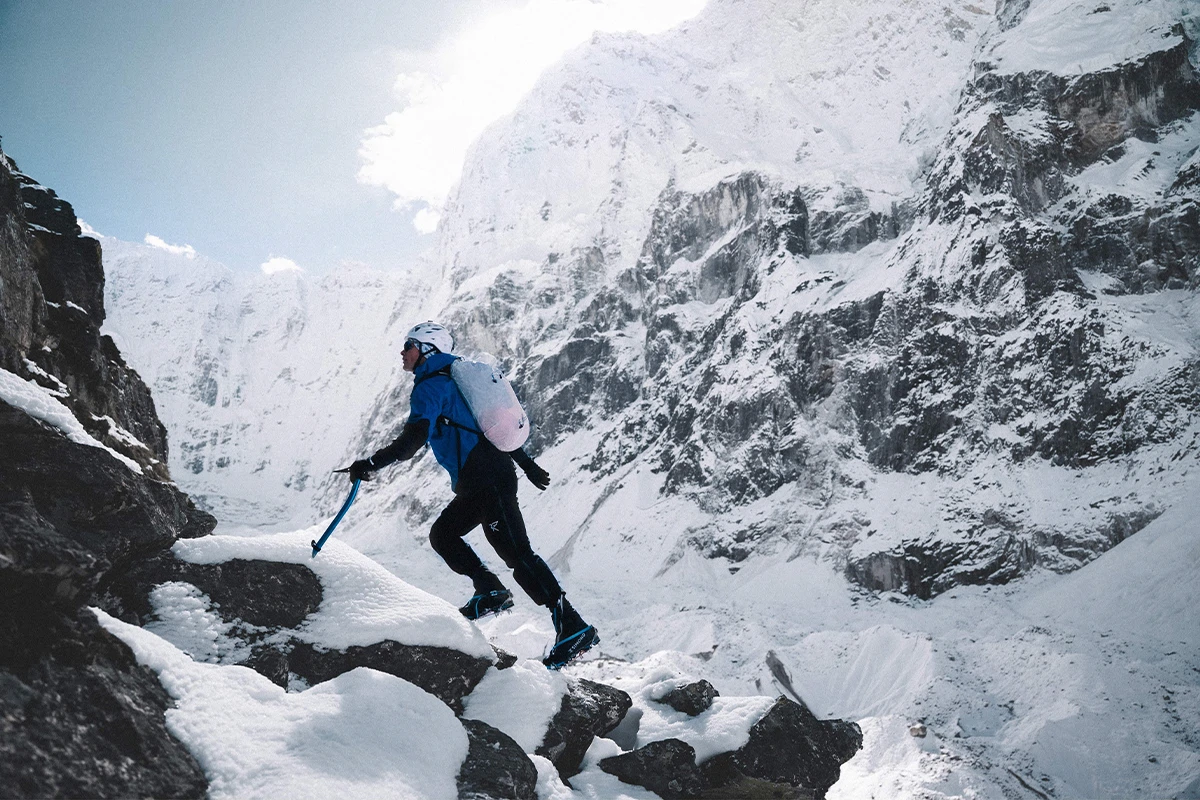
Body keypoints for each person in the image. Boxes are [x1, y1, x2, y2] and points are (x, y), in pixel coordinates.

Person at [344, 321, 599, 669]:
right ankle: (490, 590)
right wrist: (525, 464)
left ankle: (572, 626)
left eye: (408, 345)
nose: (402, 353)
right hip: (482, 481)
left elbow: (411, 442)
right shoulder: (453, 380)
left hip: (487, 482)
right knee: (443, 535)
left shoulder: (431, 386)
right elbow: (489, 426)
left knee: (518, 555)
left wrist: (370, 463)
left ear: (427, 349)